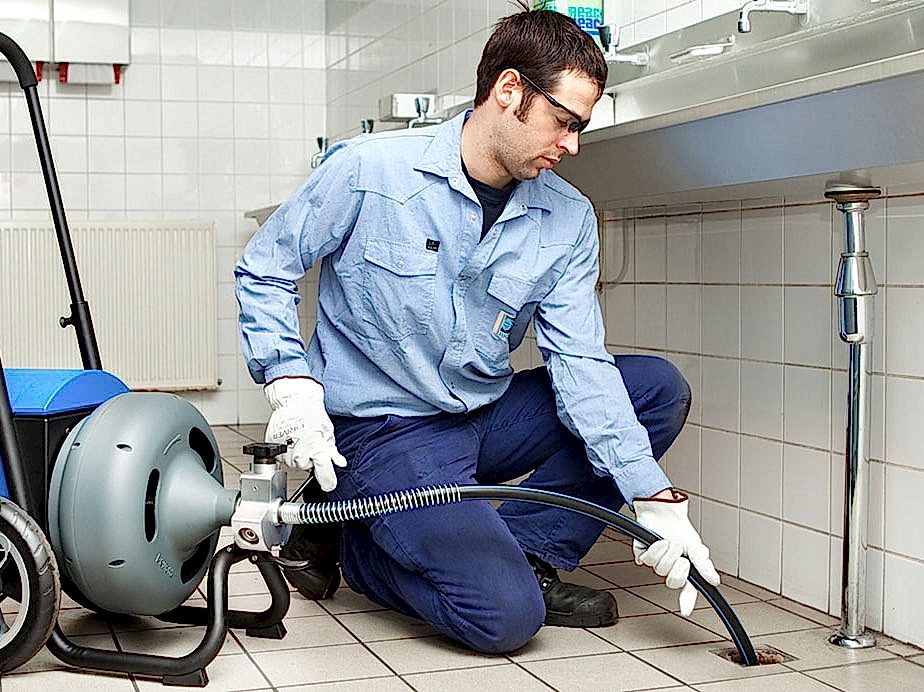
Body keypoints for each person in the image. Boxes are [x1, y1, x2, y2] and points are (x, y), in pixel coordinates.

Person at [235, 4, 719, 654]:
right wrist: (291, 384)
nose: (572, 145)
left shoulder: (567, 217)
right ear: (510, 90)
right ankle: (356, 541)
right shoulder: (371, 172)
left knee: (654, 388)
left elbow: (580, 363)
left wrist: (653, 495)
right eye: (565, 121)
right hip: (385, 431)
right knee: (503, 617)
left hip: (482, 414)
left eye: (580, 127)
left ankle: (526, 552)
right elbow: (265, 268)